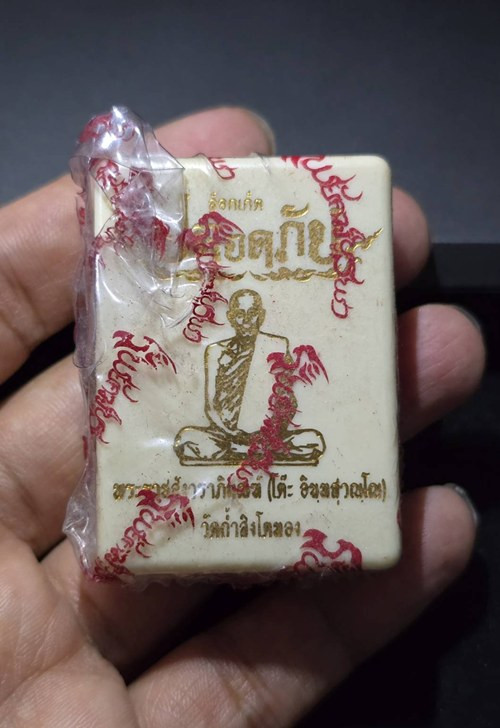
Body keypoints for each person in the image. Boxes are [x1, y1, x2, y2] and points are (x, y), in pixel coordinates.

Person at [0, 107, 484, 726]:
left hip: (276, 443)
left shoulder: (280, 346)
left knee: (308, 444)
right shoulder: (215, 347)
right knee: (196, 444)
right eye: (244, 310)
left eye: (256, 311)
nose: (250, 318)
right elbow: (210, 409)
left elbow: (291, 403)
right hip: (221, 444)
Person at [175, 288, 325, 464]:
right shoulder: (215, 351)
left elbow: (286, 400)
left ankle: (251, 449)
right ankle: (250, 450)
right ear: (231, 317)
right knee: (186, 440)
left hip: (268, 434)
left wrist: (270, 432)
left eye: (252, 313)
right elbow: (211, 408)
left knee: (314, 440)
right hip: (226, 435)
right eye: (240, 314)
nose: (246, 320)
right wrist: (233, 434)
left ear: (261, 315)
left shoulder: (276, 345)